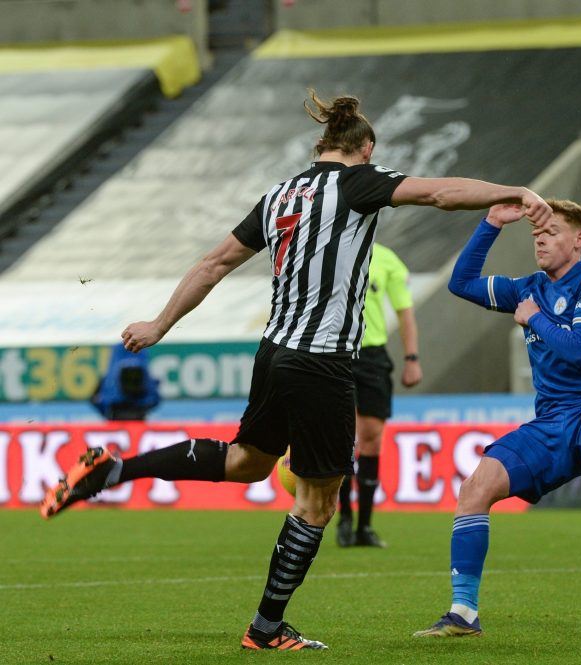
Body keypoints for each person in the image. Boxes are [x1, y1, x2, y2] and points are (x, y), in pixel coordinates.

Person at [40, 92, 551, 651]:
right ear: (366, 149)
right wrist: (514, 191)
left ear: (322, 145)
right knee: (318, 501)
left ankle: (114, 470)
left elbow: (213, 265)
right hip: (323, 360)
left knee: (246, 463)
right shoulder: (360, 183)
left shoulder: (281, 194)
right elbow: (438, 192)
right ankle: (266, 628)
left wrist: (160, 323)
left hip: (275, 353)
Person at [413, 199, 581, 638]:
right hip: (551, 421)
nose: (540, 238)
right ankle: (463, 614)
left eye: (552, 232)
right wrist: (491, 223)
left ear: (578, 241)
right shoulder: (527, 287)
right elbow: (461, 283)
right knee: (475, 488)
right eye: (537, 233)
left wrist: (536, 318)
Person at [337, 242, 421, 548]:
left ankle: (365, 526)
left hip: (372, 355)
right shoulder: (331, 249)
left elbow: (405, 312)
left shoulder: (387, 260)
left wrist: (412, 358)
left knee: (372, 435)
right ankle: (344, 518)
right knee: (344, 437)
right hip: (336, 352)